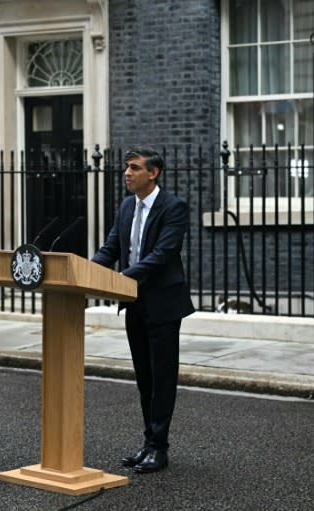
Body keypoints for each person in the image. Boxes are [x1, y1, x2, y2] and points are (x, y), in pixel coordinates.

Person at [92, 146, 195, 474]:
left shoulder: (173, 207)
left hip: (163, 305)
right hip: (134, 303)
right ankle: (148, 442)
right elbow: (112, 248)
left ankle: (159, 448)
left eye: (134, 168)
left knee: (162, 378)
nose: (127, 173)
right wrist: (86, 275)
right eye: (126, 167)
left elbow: (163, 254)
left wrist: (121, 278)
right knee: (144, 379)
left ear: (153, 173)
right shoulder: (126, 207)